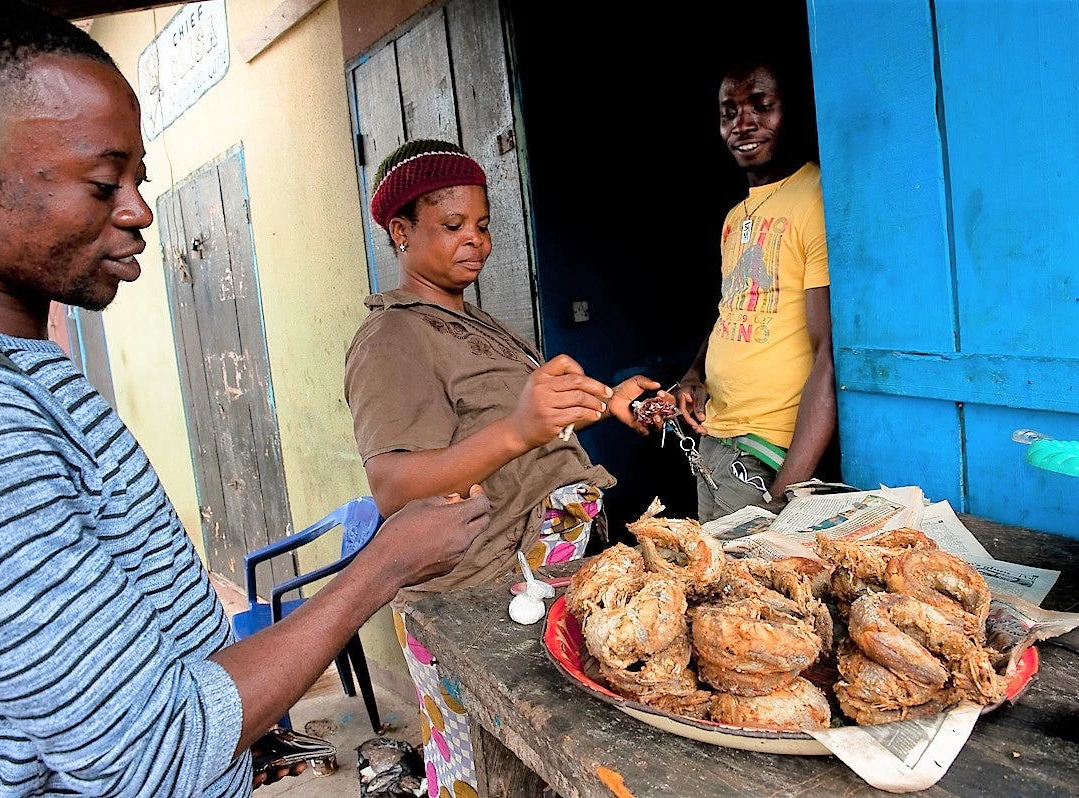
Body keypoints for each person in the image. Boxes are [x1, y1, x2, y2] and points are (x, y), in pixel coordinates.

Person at [0, 3, 490, 796]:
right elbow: (155, 750)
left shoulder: (22, 366)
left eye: (138, 179)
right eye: (103, 183)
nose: (137, 211)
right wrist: (382, 565)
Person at [344, 138, 660, 796]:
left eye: (483, 225)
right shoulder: (392, 338)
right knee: (476, 777)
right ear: (400, 232)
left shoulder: (468, 321)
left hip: (528, 589)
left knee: (533, 769)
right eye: (452, 226)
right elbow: (392, 484)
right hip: (471, 605)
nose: (476, 242)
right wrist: (518, 427)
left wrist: (610, 403)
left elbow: (525, 431)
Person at [672, 52, 836, 522]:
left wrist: (790, 489)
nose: (742, 124)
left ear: (793, 112)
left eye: (761, 106)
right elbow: (733, 310)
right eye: (729, 113)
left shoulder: (815, 198)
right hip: (716, 441)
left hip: (768, 455)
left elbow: (828, 351)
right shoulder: (733, 218)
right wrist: (693, 375)